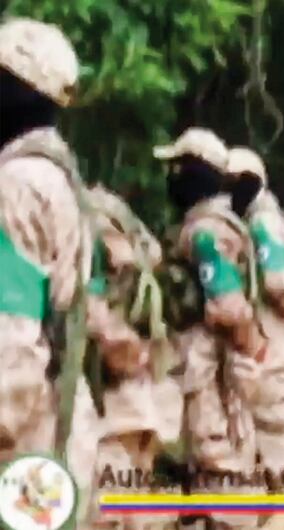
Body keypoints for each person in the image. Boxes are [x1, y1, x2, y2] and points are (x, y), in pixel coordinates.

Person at [0, 16, 100, 502]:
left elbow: (9, 353)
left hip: (22, 444)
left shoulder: (14, 186)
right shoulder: (62, 178)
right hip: (62, 427)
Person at [156, 128, 265, 530]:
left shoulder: (205, 231)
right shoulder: (219, 224)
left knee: (218, 464)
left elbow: (229, 307)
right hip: (215, 366)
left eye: (177, 167)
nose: (171, 176)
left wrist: (242, 357)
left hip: (209, 368)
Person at [83, 185, 183, 530]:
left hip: (111, 388)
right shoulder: (136, 242)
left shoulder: (94, 226)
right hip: (139, 382)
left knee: (109, 499)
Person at [226, 147, 284, 515]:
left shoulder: (261, 223)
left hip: (274, 349)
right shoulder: (269, 220)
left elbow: (279, 286)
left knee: (278, 441)